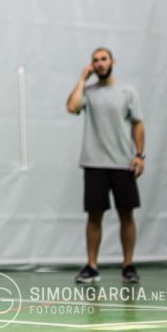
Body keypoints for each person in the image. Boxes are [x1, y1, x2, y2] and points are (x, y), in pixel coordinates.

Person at [66, 47, 145, 285]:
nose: (99, 63)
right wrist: (82, 78)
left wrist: (140, 155)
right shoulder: (88, 92)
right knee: (94, 217)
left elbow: (138, 124)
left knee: (126, 215)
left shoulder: (127, 91)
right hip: (94, 164)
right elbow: (72, 107)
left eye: (103, 59)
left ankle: (128, 265)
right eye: (95, 60)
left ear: (112, 62)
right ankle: (91, 267)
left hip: (122, 164)